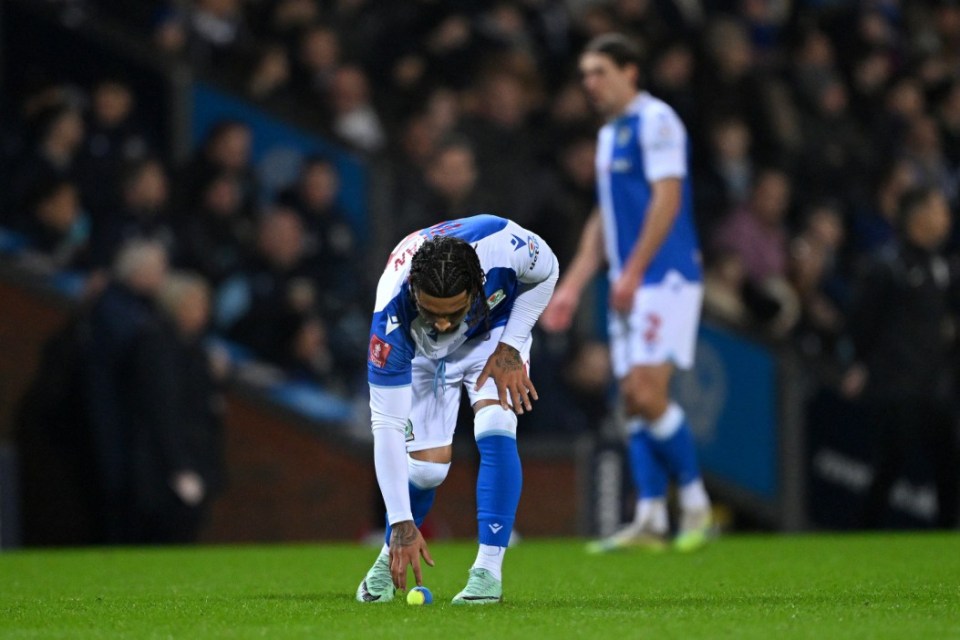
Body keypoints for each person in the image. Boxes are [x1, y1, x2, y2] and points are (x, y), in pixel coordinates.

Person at [540, 33, 712, 552]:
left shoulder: (656, 122)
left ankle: (697, 503)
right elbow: (605, 218)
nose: (590, 83)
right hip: (630, 282)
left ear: (629, 71)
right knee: (630, 403)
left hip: (667, 278)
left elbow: (668, 198)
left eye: (600, 71)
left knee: (643, 393)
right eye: (585, 74)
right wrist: (570, 285)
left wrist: (634, 270)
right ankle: (652, 519)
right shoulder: (611, 134)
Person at [355, 214, 558, 604]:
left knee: (496, 425)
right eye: (433, 312)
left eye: (454, 311)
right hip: (422, 355)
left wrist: (512, 345)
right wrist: (401, 523)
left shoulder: (505, 243)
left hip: (492, 337)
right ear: (414, 291)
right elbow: (386, 427)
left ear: (477, 286)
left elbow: (547, 274)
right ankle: (388, 555)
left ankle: (487, 574)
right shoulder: (390, 324)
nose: (445, 324)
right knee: (428, 472)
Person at [841, 186, 959, 529]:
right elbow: (862, 321)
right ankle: (863, 533)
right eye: (938, 210)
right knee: (890, 462)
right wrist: (861, 363)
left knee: (948, 466)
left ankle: (948, 538)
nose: (946, 219)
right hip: (896, 384)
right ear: (917, 217)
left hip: (935, 385)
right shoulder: (887, 266)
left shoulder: (942, 268)